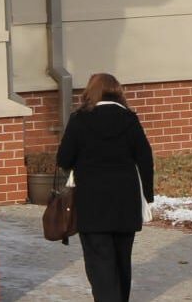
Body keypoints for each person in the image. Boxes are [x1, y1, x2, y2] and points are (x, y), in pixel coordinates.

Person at [56, 72, 154, 302]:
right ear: (118, 92)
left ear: (91, 92)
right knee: (122, 261)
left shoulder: (79, 120)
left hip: (92, 204)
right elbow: (145, 159)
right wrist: (148, 196)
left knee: (99, 263)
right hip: (125, 204)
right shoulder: (130, 119)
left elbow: (64, 159)